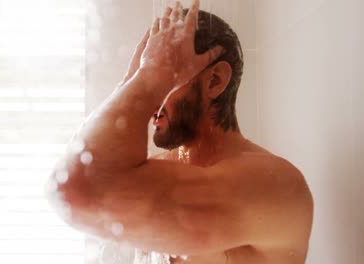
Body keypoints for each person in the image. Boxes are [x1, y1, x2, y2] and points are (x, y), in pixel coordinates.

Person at [47, 0, 313, 263]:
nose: (152, 98)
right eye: (150, 74)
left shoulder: (274, 186)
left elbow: (75, 189)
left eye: (169, 75)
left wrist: (150, 75)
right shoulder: (151, 170)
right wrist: (132, 78)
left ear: (215, 80)